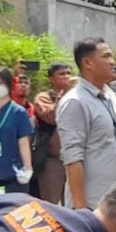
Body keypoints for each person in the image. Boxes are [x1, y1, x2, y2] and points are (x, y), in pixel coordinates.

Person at [57, 37, 116, 210]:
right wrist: (81, 210)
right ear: (88, 63)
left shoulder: (110, 96)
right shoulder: (75, 102)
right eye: (106, 56)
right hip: (91, 206)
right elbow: (73, 159)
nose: (112, 62)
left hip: (115, 203)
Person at [0, 67, 34, 195]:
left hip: (14, 176)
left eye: (0, 83)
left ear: (9, 85)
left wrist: (28, 168)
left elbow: (24, 143)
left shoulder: (19, 112)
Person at [31, 62, 74, 203]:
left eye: (69, 73)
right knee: (51, 203)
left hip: (74, 157)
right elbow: (52, 118)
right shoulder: (43, 97)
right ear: (51, 79)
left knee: (74, 202)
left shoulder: (76, 97)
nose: (66, 77)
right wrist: (63, 95)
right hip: (53, 158)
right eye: (62, 74)